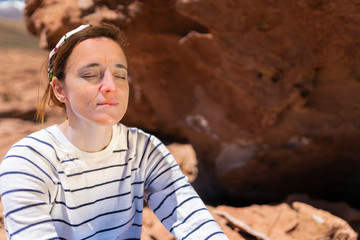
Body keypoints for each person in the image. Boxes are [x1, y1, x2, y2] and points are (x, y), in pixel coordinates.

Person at [0, 24, 229, 240]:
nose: (111, 86)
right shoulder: (29, 161)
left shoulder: (143, 149)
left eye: (120, 75)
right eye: (90, 75)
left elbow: (193, 220)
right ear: (60, 90)